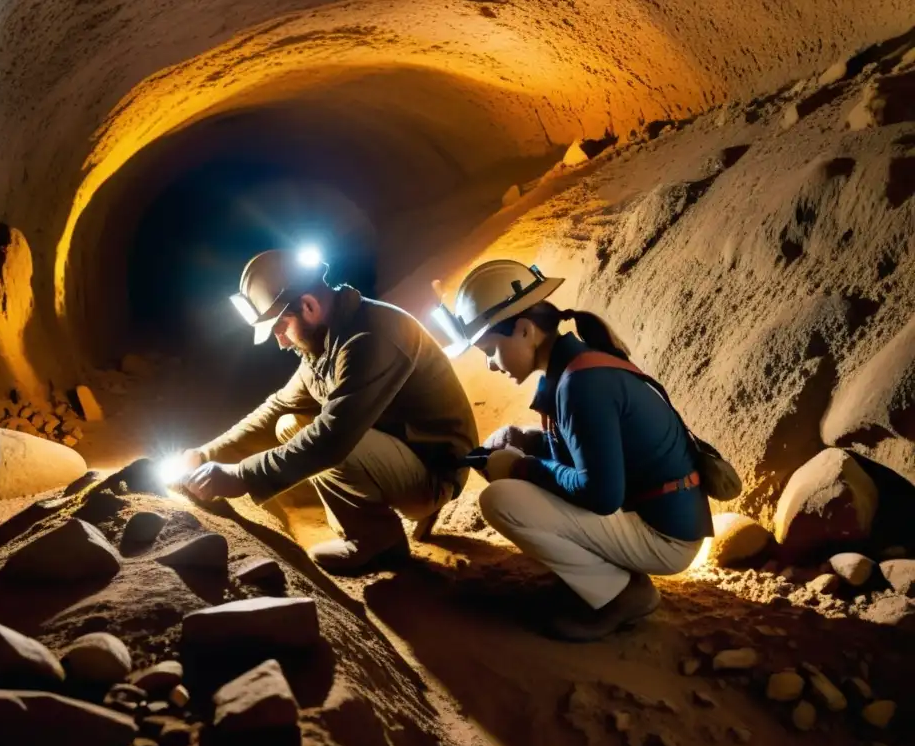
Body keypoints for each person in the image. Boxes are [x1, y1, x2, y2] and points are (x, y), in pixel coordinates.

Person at [441, 259, 712, 641]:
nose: (489, 364)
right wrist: (527, 440)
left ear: (524, 330)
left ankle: (622, 594)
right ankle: (601, 578)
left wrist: (523, 468)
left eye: (489, 349)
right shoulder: (574, 367)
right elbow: (586, 451)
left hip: (666, 538)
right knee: (520, 480)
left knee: (502, 499)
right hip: (657, 515)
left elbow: (600, 495)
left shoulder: (581, 384)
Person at [180, 249, 479, 574]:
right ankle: (374, 528)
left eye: (281, 327)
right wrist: (206, 454)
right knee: (289, 423)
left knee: (328, 442)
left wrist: (242, 476)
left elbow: (331, 441)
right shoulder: (327, 341)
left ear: (308, 306)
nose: (281, 342)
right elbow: (279, 406)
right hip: (405, 453)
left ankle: (377, 542)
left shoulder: (369, 337)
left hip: (437, 471)